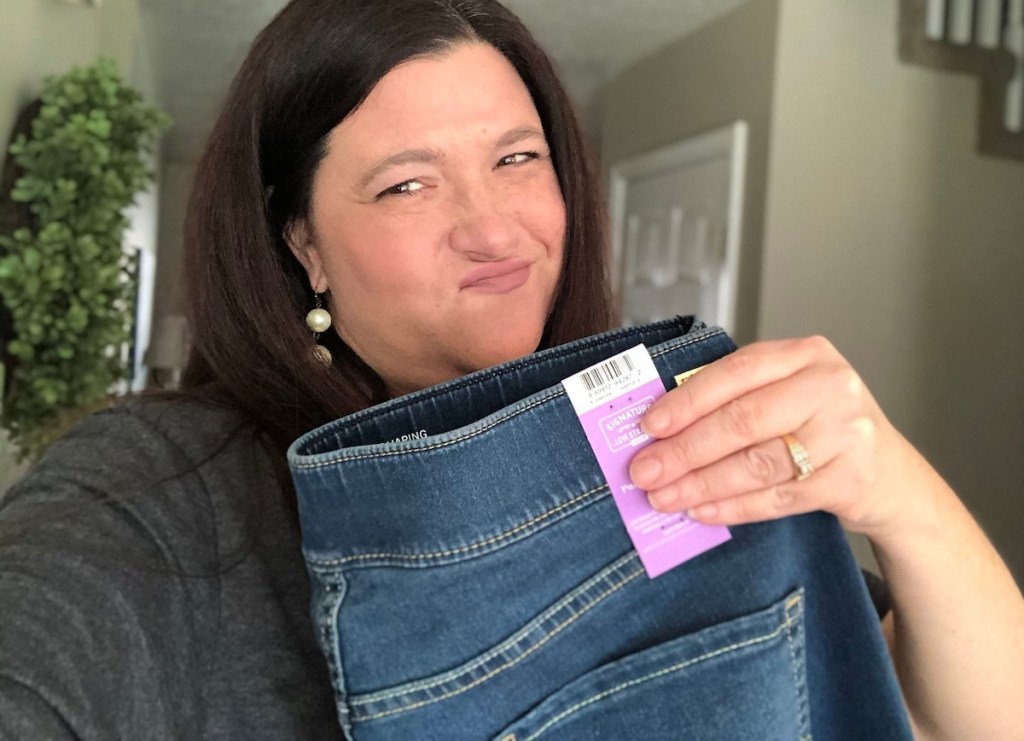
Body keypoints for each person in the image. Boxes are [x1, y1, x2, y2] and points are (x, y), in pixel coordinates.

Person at [1, 0, 1022, 738]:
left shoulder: (654, 434)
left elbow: (960, 718)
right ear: (302, 244)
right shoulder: (157, 488)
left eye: (517, 158)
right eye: (406, 185)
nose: (494, 231)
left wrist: (897, 494)